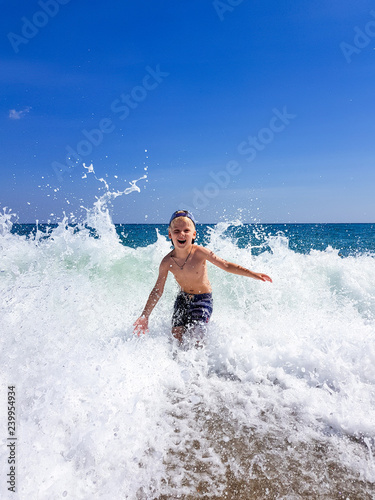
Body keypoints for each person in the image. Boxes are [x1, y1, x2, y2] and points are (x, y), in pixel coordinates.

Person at [133, 210, 272, 344]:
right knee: (176, 334)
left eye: (186, 230)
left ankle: (201, 365)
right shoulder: (167, 262)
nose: (181, 234)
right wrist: (145, 315)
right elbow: (158, 290)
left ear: (193, 234)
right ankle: (176, 364)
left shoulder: (200, 252)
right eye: (176, 231)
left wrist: (253, 274)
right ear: (170, 235)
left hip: (203, 299)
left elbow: (226, 265)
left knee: (197, 335)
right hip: (183, 298)